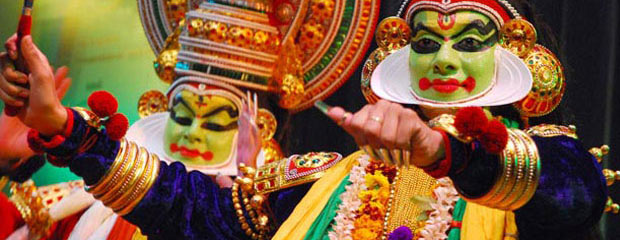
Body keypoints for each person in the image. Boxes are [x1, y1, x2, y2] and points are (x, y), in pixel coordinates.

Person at [0, 0, 609, 240]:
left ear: (516, 53)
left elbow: (573, 194)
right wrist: (66, 129)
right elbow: (191, 210)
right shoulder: (324, 180)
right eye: (426, 41)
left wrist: (445, 154)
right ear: (400, 54)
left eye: (468, 40)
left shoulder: (549, 166)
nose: (443, 58)